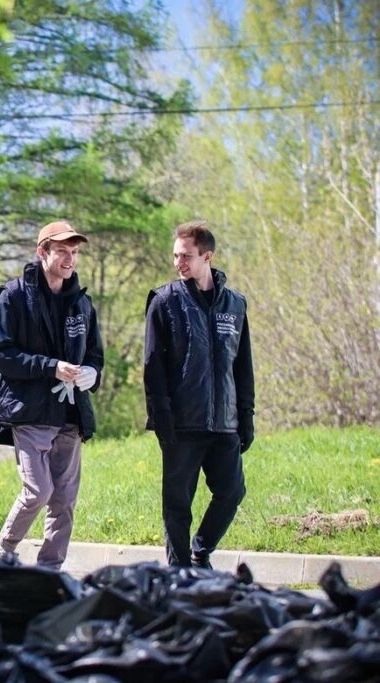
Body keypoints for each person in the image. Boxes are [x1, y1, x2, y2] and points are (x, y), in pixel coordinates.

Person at [0, 220, 104, 570]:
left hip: (70, 413)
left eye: (74, 252)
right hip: (29, 412)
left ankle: (50, 568)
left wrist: (92, 374)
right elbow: (1, 354)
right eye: (62, 250)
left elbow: (94, 354)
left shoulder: (82, 303)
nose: (69, 259)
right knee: (39, 491)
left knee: (64, 499)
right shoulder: (13, 296)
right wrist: (50, 366)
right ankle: (3, 547)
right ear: (42, 251)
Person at [144, 220, 255, 569]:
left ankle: (200, 551)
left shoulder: (235, 305)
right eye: (176, 255)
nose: (179, 262)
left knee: (232, 492)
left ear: (207, 256)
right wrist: (161, 418)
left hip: (224, 423)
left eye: (187, 256)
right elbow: (152, 368)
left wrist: (246, 417)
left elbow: (243, 366)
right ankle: (179, 572)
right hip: (181, 424)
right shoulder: (164, 301)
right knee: (177, 503)